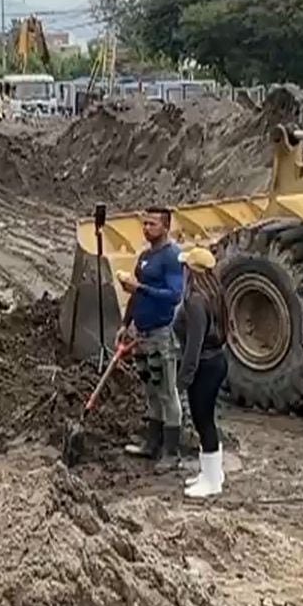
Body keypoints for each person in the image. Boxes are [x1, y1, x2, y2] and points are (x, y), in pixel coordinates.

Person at [116, 207, 186, 470]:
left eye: (152, 224)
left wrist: (141, 288)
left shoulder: (172, 257)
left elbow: (175, 295)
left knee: (167, 392)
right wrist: (125, 324)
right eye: (144, 223)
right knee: (151, 391)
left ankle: (171, 453)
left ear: (166, 226)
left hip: (161, 333)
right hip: (142, 334)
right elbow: (135, 295)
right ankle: (152, 444)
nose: (146, 228)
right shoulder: (145, 257)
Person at [175, 249, 229, 498]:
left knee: (203, 421)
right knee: (207, 420)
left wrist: (183, 380)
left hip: (204, 367)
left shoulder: (195, 301)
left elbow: (193, 347)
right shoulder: (215, 293)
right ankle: (211, 472)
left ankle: (212, 482)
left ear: (191, 271)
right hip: (217, 361)